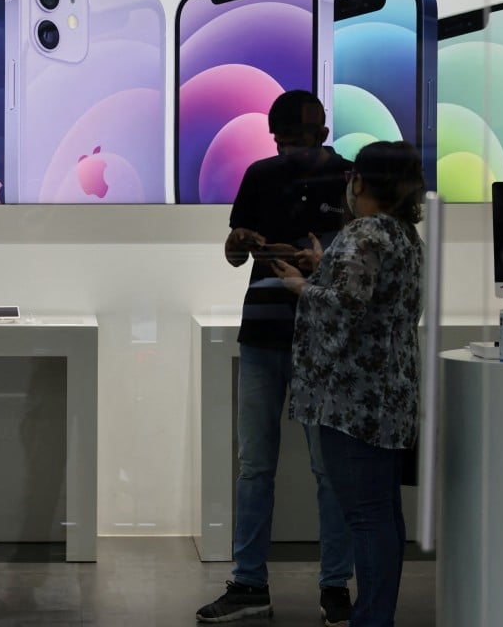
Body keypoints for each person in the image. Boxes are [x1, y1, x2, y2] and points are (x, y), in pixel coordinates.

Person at [196, 90, 355, 625]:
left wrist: (314, 260)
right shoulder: (262, 176)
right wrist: (241, 239)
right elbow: (236, 251)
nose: (292, 148)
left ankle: (326, 585)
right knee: (262, 466)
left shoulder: (350, 180)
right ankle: (259, 584)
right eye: (288, 139)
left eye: (297, 138)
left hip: (319, 334)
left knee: (308, 467)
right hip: (272, 332)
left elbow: (358, 257)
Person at [272, 140, 425, 627]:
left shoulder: (363, 234)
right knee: (384, 515)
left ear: (358, 181)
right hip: (392, 397)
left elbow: (343, 311)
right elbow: (371, 298)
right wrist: (326, 269)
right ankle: (377, 613)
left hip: (351, 403)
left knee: (366, 517)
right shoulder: (402, 235)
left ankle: (372, 619)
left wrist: (304, 288)